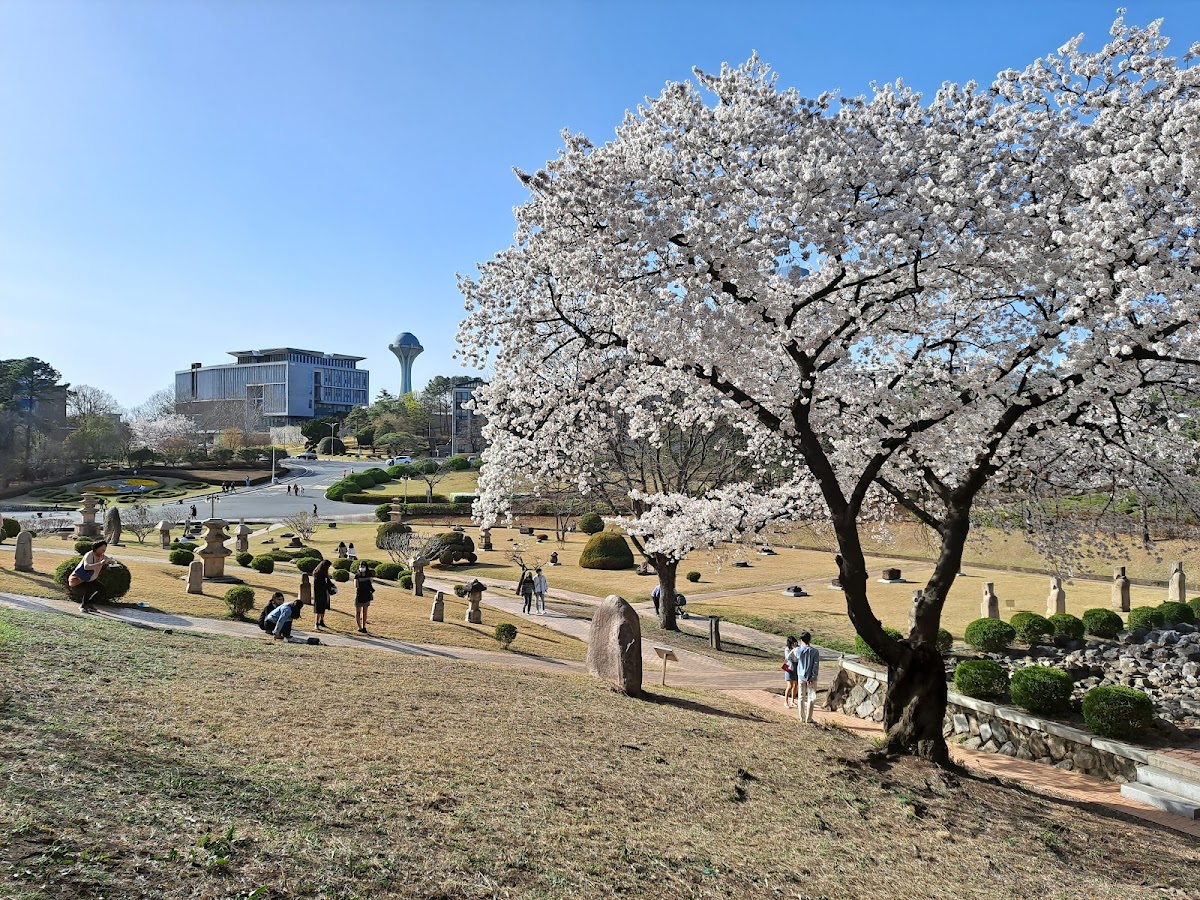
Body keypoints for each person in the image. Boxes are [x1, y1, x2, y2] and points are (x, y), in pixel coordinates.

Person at [68, 539, 115, 612]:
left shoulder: (102, 556)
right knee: (89, 590)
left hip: (90, 578)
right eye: (102, 548)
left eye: (105, 548)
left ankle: (89, 604)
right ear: (96, 548)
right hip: (79, 578)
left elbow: (107, 559)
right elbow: (86, 567)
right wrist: (100, 563)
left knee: (102, 589)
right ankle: (83, 606)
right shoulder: (89, 554)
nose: (104, 550)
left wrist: (111, 561)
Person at [793, 632, 821, 724]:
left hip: (801, 676)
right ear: (810, 640)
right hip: (811, 678)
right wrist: (812, 677)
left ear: (801, 640)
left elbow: (794, 657)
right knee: (811, 698)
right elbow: (815, 665)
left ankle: (801, 717)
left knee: (801, 697)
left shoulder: (798, 650)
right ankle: (808, 718)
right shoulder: (815, 652)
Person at [312, 559, 335, 630]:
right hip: (319, 593)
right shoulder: (317, 574)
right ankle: (316, 623)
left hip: (325, 593)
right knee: (319, 609)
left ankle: (321, 620)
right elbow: (319, 585)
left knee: (323, 607)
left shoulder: (325, 574)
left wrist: (332, 586)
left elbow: (328, 581)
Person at [353, 562, 374, 633]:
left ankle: (364, 626)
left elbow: (371, 582)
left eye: (363, 566)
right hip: (360, 594)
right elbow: (356, 585)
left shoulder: (369, 574)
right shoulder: (357, 575)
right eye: (360, 566)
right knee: (358, 612)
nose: (361, 568)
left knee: (365, 611)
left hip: (366, 594)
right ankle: (360, 627)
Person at [782, 636, 799, 708]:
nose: (794, 644)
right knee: (790, 685)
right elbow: (787, 658)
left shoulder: (798, 648)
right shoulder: (787, 649)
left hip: (797, 667)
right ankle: (785, 702)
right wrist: (792, 650)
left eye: (795, 642)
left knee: (795, 685)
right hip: (789, 667)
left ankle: (792, 701)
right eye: (793, 642)